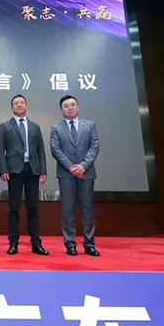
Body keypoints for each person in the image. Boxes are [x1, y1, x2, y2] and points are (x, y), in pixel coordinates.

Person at [0, 94, 49, 255]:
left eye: (22, 102)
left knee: (33, 207)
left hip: (32, 169)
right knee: (14, 207)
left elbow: (41, 150)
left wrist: (43, 170)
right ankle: (13, 243)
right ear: (12, 107)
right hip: (14, 170)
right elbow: (0, 150)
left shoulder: (35, 127)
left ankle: (36, 243)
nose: (19, 105)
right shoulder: (5, 126)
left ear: (26, 105)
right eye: (16, 103)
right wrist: (3, 169)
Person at [50, 95, 101, 256]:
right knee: (67, 209)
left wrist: (83, 166)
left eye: (72, 105)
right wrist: (71, 167)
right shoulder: (56, 128)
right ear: (61, 110)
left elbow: (94, 147)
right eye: (66, 106)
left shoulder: (90, 126)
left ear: (78, 107)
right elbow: (55, 150)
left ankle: (89, 244)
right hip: (66, 174)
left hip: (87, 173)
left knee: (87, 209)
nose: (70, 108)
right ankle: (70, 243)